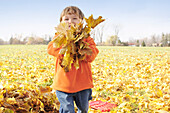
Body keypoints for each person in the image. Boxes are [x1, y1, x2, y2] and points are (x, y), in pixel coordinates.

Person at [47, 6, 99, 113]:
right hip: (64, 84)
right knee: (67, 110)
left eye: (74, 18)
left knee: (83, 109)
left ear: (81, 21)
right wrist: (68, 48)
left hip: (83, 84)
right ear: (61, 22)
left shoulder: (86, 38)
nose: (70, 21)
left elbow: (92, 54)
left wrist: (82, 50)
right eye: (66, 19)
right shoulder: (59, 37)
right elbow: (51, 49)